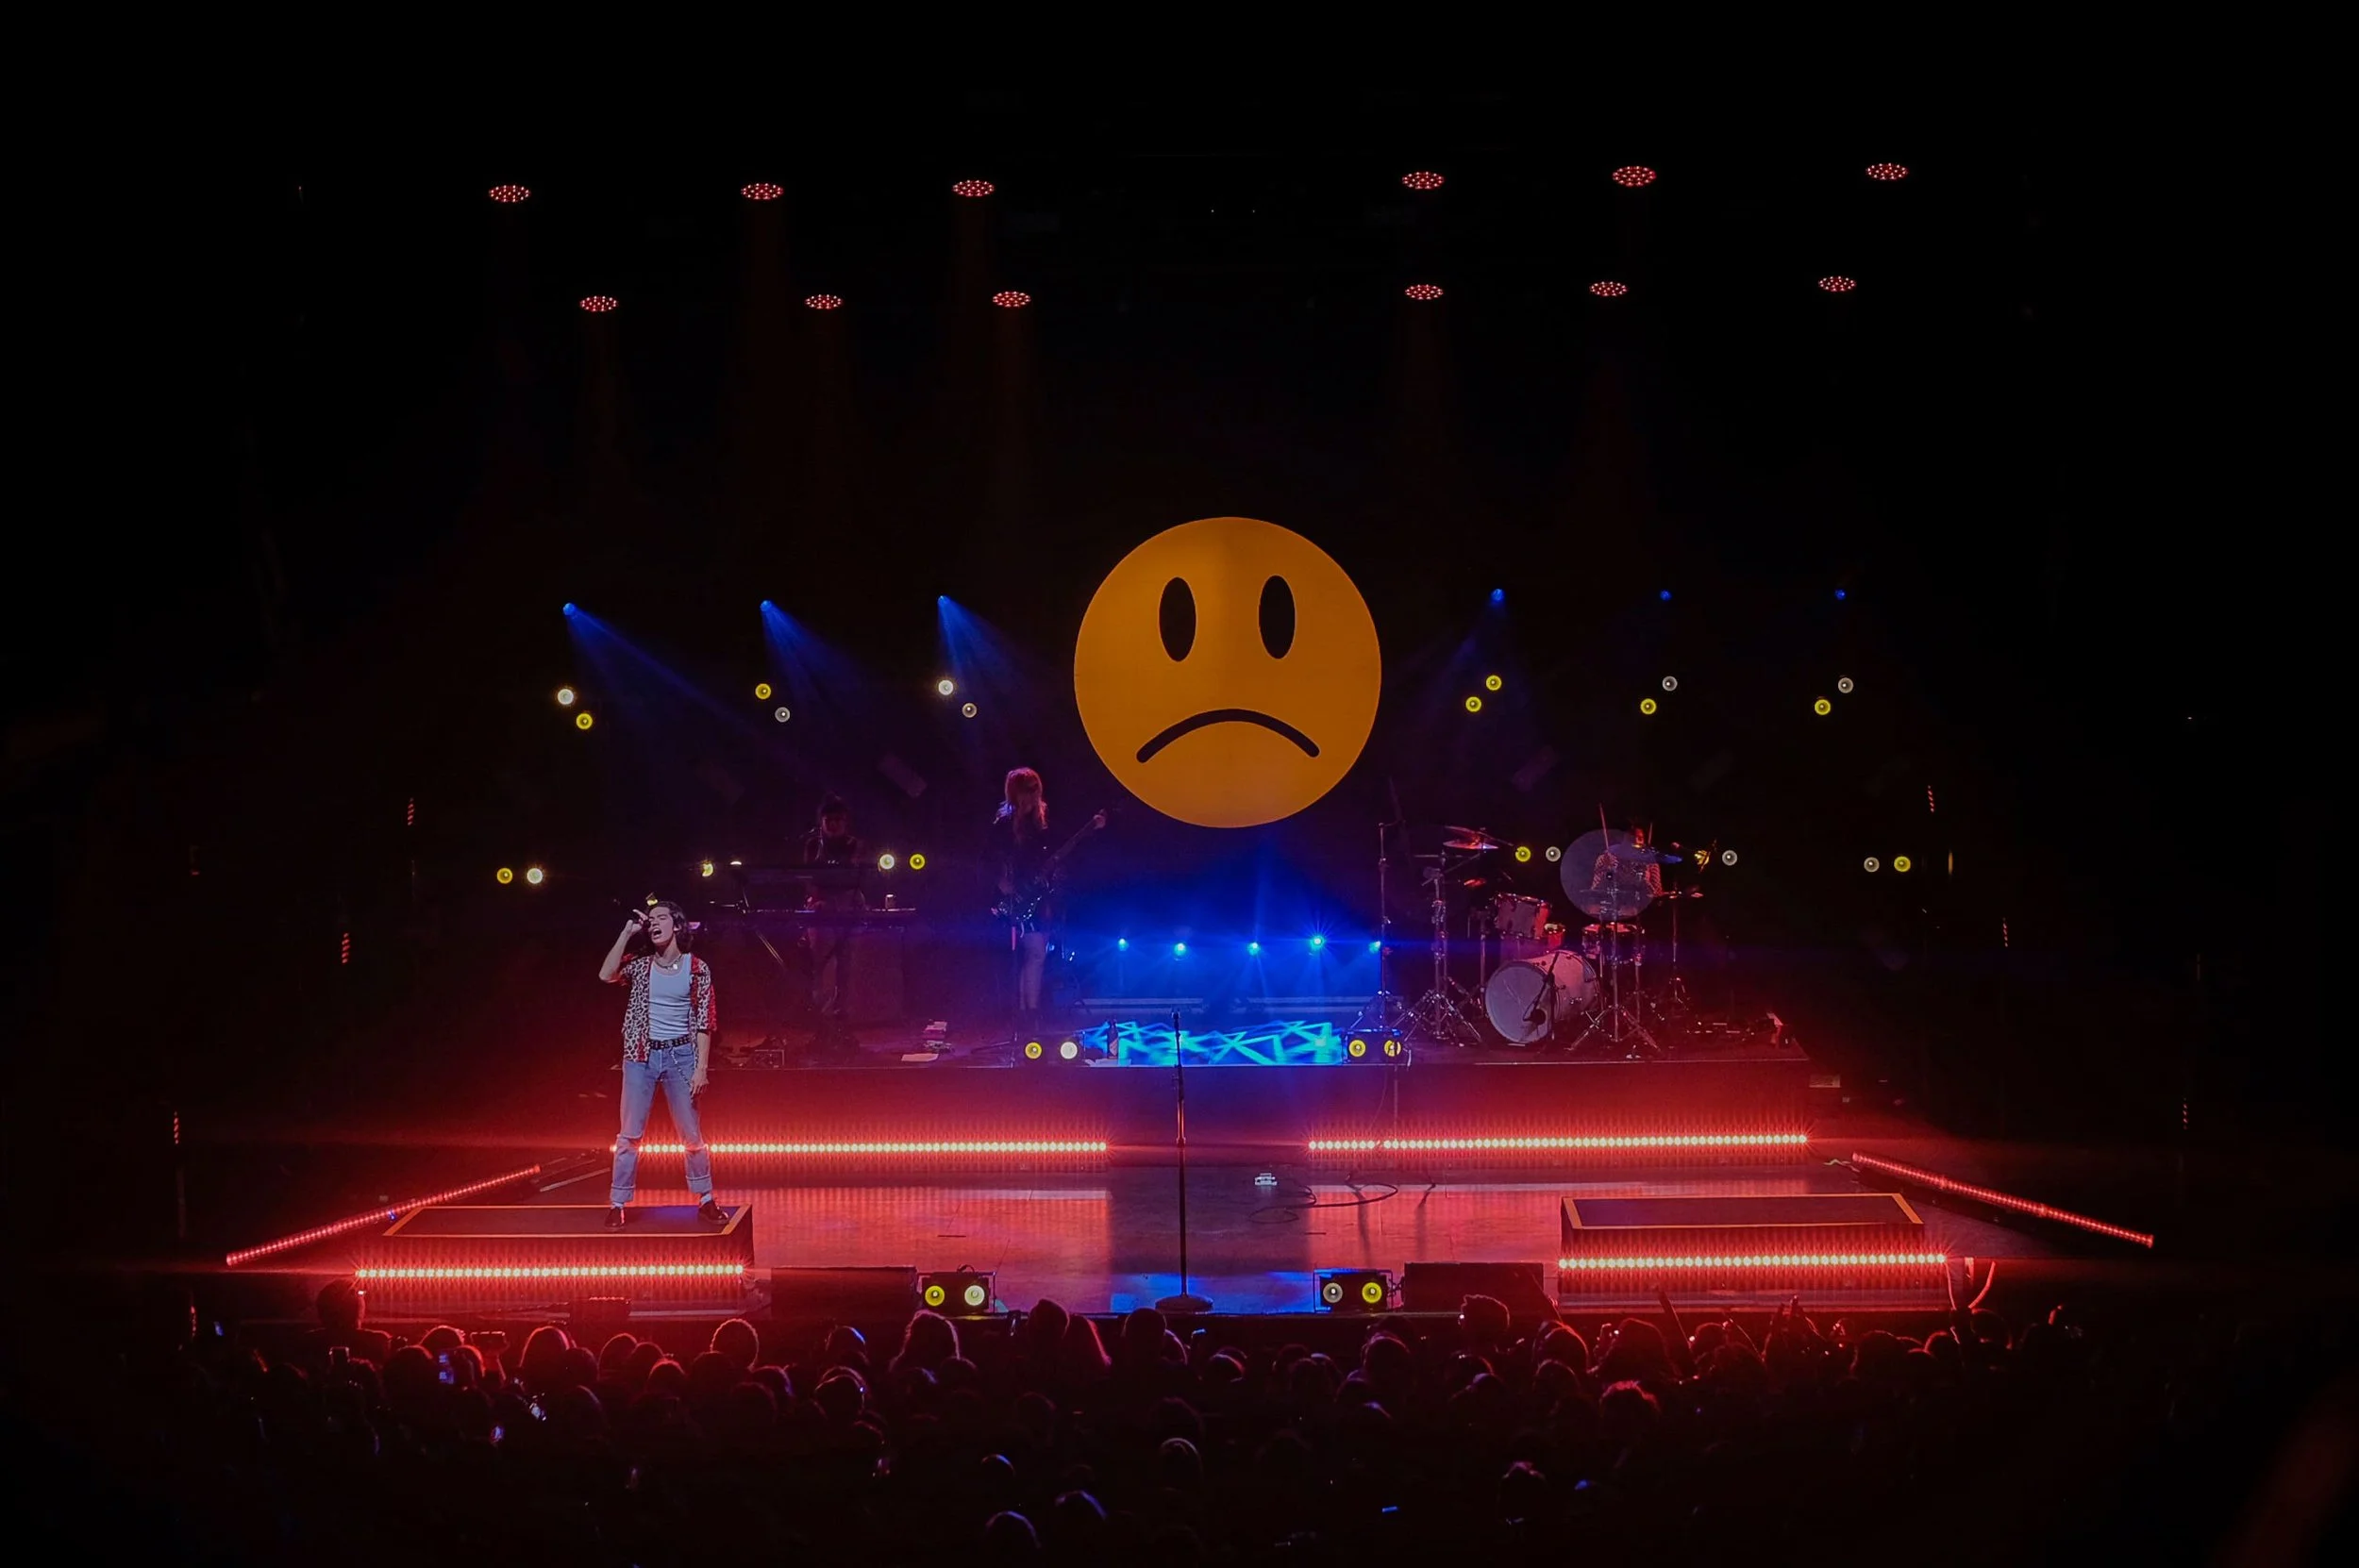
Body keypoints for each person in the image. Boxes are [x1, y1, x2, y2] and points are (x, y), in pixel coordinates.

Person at [598, 901, 722, 1228]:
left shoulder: (697, 968)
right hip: (641, 1056)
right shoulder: (640, 966)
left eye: (661, 918)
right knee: (629, 1133)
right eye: (650, 920)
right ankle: (617, 1202)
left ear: (677, 926)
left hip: (681, 1056)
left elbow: (705, 1022)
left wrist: (701, 1068)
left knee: (691, 1133)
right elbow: (606, 974)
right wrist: (627, 932)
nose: (654, 923)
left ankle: (706, 1198)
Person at [991, 768, 1102, 1034]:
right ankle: (1028, 1014)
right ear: (1016, 792)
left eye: (1036, 789)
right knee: (1034, 955)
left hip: (1039, 897)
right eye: (1028, 790)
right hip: (1017, 896)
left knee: (1036, 955)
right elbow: (988, 859)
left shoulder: (1042, 821)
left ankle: (1028, 1013)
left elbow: (1061, 848)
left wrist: (1091, 828)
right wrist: (1001, 883)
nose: (1033, 795)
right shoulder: (1004, 824)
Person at [801, 795, 863, 1027]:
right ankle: (824, 1019)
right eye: (829, 820)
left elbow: (854, 876)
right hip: (821, 908)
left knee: (847, 964)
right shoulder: (813, 845)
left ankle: (843, 1016)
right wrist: (819, 900)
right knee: (823, 965)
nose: (834, 824)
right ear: (822, 822)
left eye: (838, 820)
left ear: (845, 821)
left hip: (848, 907)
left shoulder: (854, 844)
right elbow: (808, 878)